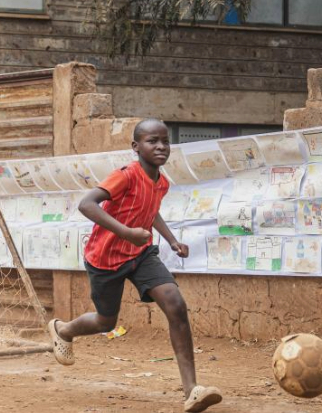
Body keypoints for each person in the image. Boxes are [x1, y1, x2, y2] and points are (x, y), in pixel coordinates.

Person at [47, 119, 223, 413]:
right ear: (136, 147)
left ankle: (192, 390)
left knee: (175, 304)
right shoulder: (125, 175)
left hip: (141, 254)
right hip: (105, 258)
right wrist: (126, 232)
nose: (161, 147)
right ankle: (64, 331)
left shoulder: (161, 182)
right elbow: (87, 204)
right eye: (152, 141)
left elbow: (150, 211)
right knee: (106, 322)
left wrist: (172, 240)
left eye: (165, 141)